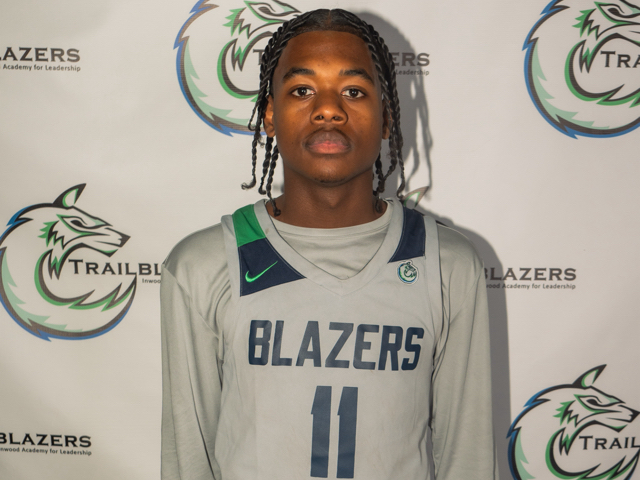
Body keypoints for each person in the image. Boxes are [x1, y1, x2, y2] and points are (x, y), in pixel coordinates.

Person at [161, 9, 497, 480]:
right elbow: (187, 462)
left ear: (386, 118)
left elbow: (469, 460)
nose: (328, 110)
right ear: (270, 116)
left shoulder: (446, 264)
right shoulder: (203, 265)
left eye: (353, 91)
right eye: (302, 90)